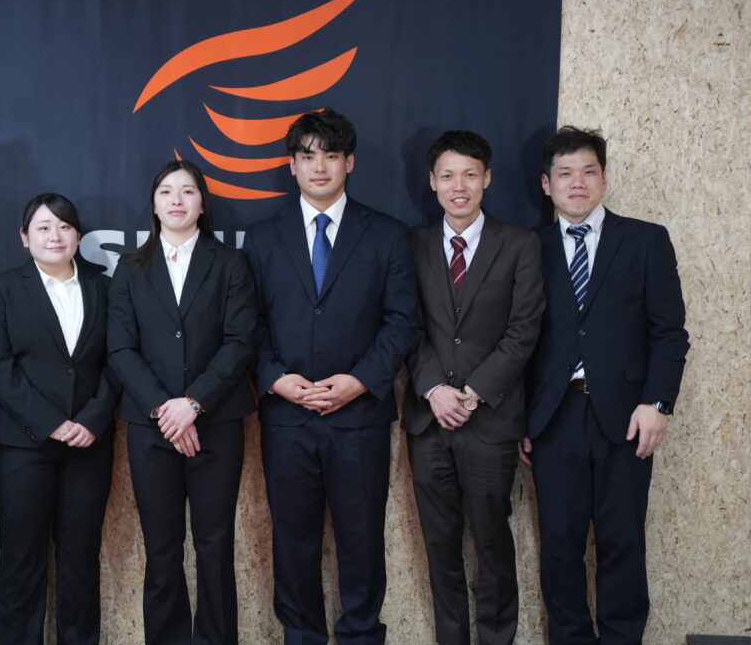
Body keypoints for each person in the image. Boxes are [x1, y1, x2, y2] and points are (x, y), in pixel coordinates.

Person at [242, 109, 418, 644]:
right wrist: (275, 378)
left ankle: (361, 635)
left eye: (331, 155)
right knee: (293, 541)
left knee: (361, 540)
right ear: (291, 166)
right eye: (308, 156)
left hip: (359, 416)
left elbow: (402, 321)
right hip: (287, 418)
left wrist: (359, 381)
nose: (319, 167)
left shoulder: (387, 234)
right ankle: (302, 636)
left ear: (350, 163)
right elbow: (247, 324)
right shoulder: (262, 238)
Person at [522, 126, 689, 645]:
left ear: (604, 179)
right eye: (565, 173)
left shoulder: (645, 240)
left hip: (627, 416)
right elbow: (517, 339)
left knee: (622, 542)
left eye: (588, 172)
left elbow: (669, 332)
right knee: (560, 545)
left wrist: (657, 402)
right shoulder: (528, 248)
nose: (577, 182)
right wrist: (523, 418)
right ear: (546, 184)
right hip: (553, 419)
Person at [403, 130, 545, 645]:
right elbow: (406, 325)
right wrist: (434, 389)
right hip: (429, 421)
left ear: (487, 178)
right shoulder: (413, 245)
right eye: (447, 176)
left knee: (492, 542)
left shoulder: (521, 244)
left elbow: (524, 329)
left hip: (491, 419)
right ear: (432, 182)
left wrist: (475, 391)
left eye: (469, 174)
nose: (458, 186)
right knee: (440, 545)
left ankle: (496, 637)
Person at [107, 159, 257, 644]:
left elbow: (239, 342)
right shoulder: (131, 268)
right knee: (162, 548)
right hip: (151, 430)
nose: (177, 200)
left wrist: (192, 404)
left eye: (188, 191)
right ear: (153, 204)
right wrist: (164, 407)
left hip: (216, 423)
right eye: (166, 191)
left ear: (202, 203)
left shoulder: (230, 263)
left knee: (215, 545)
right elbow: (120, 348)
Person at [0, 193, 118, 644]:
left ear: (78, 235)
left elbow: (119, 359)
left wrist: (93, 419)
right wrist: (51, 422)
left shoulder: (104, 287)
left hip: (88, 445)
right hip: (23, 445)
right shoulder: (1, 288)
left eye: (64, 226)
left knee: (81, 557)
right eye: (43, 227)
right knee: (22, 557)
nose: (54, 235)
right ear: (24, 237)